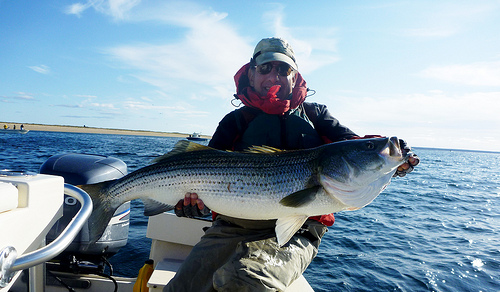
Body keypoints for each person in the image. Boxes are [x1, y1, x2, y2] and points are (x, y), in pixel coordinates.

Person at [164, 37, 419, 292]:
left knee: (245, 280)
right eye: (265, 68)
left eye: (284, 69)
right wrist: (189, 206)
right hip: (232, 225)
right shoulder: (235, 121)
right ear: (251, 74)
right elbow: (197, 167)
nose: (274, 75)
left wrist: (389, 159)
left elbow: (352, 147)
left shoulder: (316, 115)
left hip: (301, 228)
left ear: (295, 78)